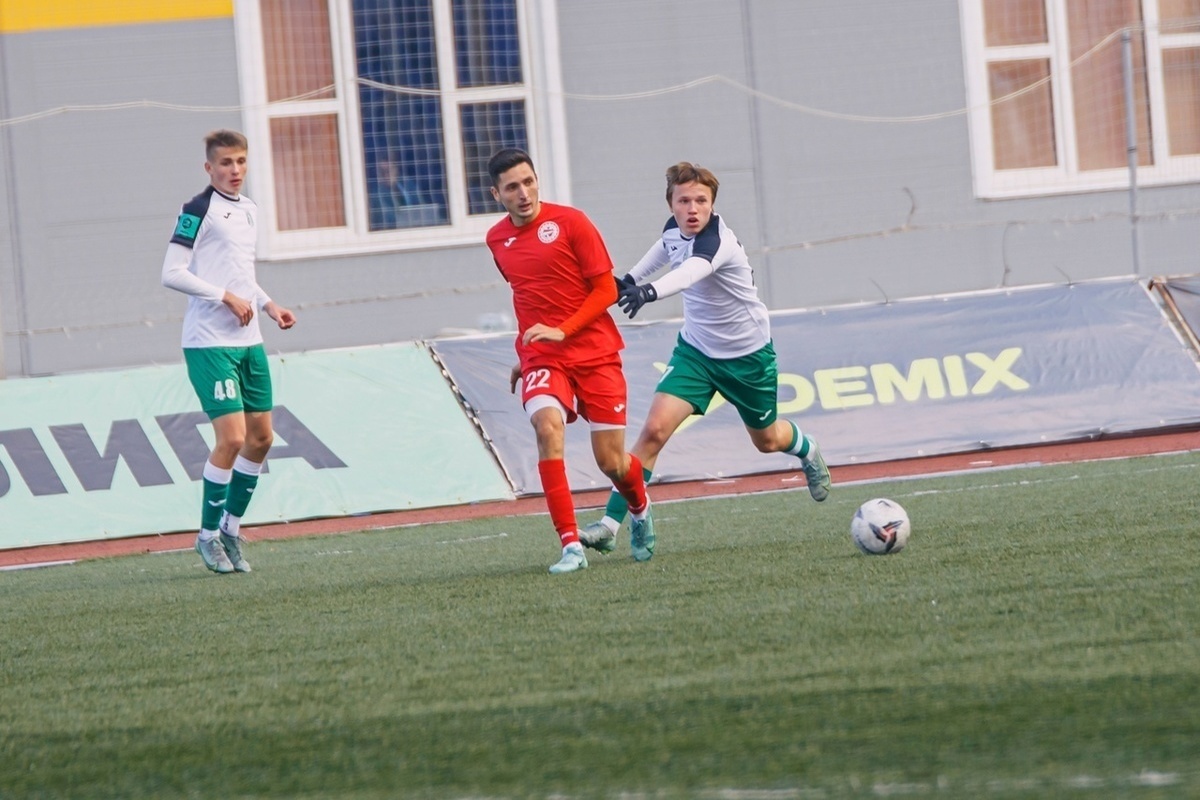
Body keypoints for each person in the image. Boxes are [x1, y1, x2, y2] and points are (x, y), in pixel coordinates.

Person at [579, 162, 831, 557]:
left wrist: (646, 293)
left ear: (713, 204)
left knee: (767, 441)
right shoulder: (672, 229)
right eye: (684, 201)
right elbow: (663, 251)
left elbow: (689, 273)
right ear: (671, 204)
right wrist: (627, 280)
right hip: (696, 353)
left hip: (747, 357)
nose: (693, 208)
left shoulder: (718, 242)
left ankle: (808, 449)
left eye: (702, 200)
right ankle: (612, 525)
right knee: (653, 433)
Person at [486, 147, 653, 572]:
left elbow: (606, 291)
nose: (523, 193)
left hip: (595, 352)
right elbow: (526, 294)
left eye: (529, 181)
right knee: (546, 427)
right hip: (544, 356)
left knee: (611, 461)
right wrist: (527, 354)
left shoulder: (572, 222)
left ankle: (639, 507)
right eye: (512, 187)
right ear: (496, 195)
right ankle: (570, 547)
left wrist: (564, 329)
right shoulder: (496, 239)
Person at [161, 129, 296, 574]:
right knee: (233, 438)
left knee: (262, 439)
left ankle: (231, 529)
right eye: (225, 163)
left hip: (249, 341)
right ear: (209, 168)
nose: (234, 170)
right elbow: (172, 273)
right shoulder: (197, 210)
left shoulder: (251, 210)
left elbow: (241, 274)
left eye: (240, 162)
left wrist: (267, 303)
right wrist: (223, 296)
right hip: (208, 343)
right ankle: (206, 537)